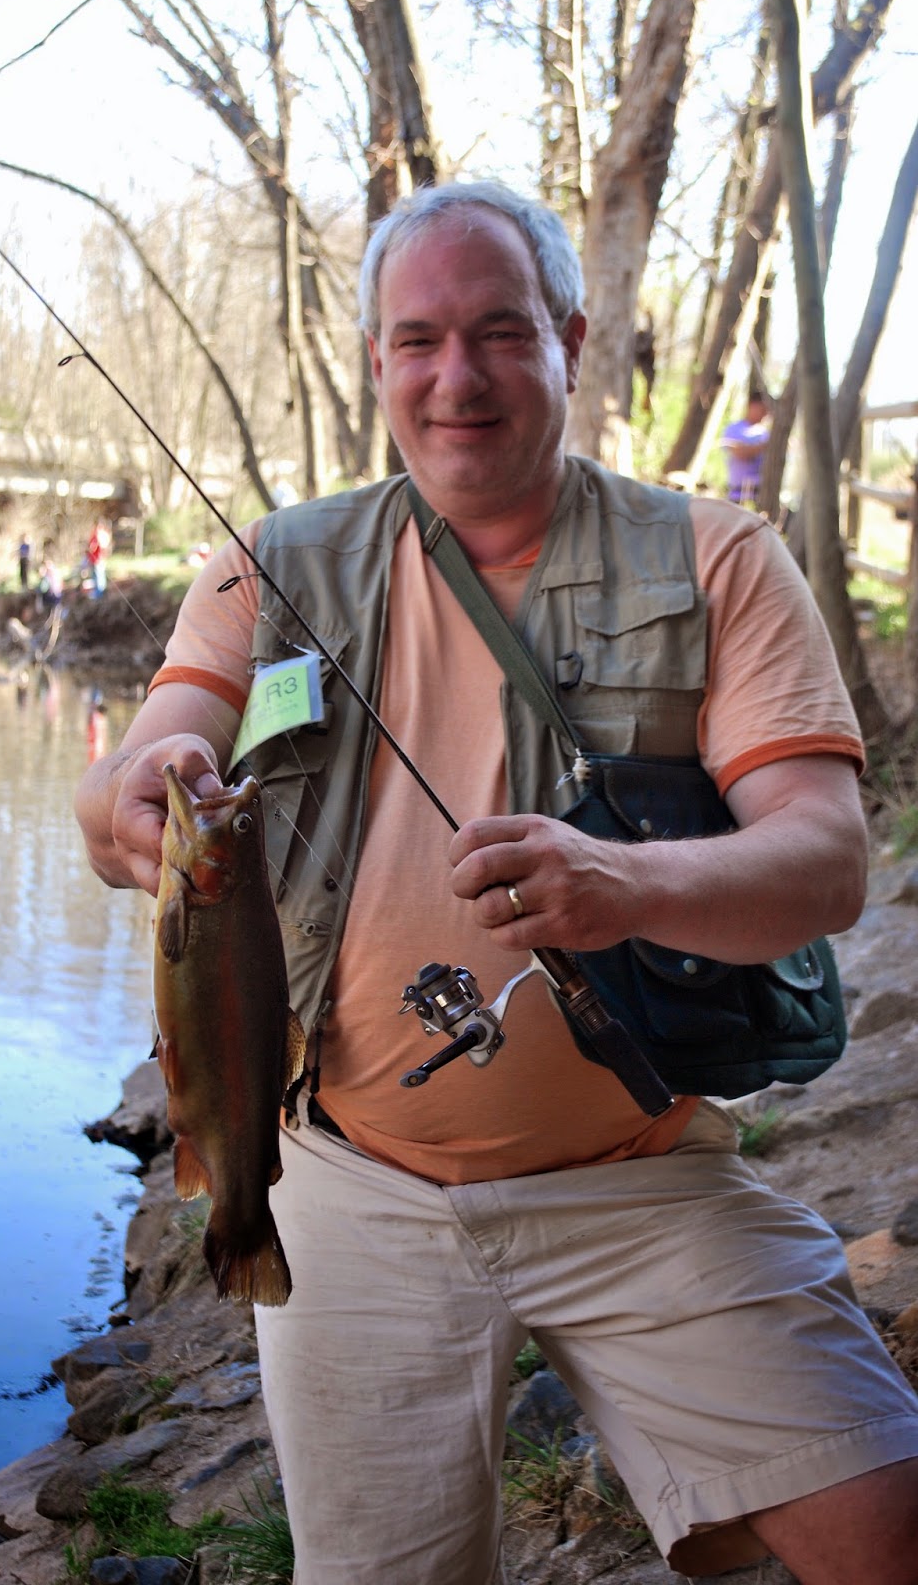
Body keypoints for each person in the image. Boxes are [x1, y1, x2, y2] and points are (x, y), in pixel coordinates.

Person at [74, 181, 918, 1584]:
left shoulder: (715, 558)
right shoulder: (271, 566)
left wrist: (626, 884)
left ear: (569, 340)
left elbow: (823, 863)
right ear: (374, 362)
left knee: (882, 1523)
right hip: (346, 1185)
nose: (453, 378)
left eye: (496, 333)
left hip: (637, 1176)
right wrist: (132, 798)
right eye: (416, 340)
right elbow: (160, 743)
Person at [722, 389, 772, 506]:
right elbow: (740, 453)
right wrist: (764, 446)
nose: (765, 413)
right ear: (752, 405)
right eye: (763, 408)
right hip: (737, 495)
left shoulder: (765, 434)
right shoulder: (734, 429)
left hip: (759, 497)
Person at [86, 518, 112, 596]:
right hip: (100, 559)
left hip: (97, 559)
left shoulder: (97, 534)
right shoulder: (104, 534)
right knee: (100, 575)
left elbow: (92, 547)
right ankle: (101, 592)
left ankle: (99, 593)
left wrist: (89, 549)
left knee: (97, 575)